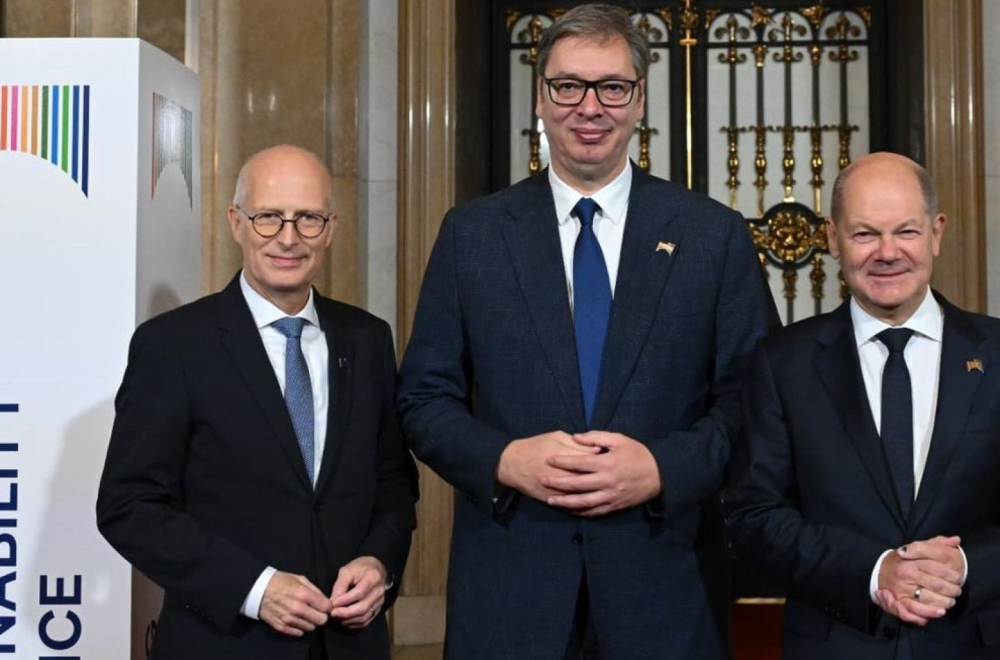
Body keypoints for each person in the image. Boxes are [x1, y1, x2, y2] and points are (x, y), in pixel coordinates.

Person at [396, 5, 774, 659]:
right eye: (568, 86)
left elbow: (754, 404)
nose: (589, 107)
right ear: (540, 98)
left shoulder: (711, 236)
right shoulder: (473, 235)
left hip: (664, 591)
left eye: (612, 87)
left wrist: (661, 468)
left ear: (640, 100)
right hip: (510, 593)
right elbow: (424, 399)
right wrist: (505, 460)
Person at [97, 145, 418, 660]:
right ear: (236, 223)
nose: (288, 238)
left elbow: (393, 481)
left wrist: (380, 562)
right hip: (224, 644)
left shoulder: (368, 339)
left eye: (308, 218)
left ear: (331, 228)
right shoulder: (174, 345)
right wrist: (254, 587)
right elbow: (129, 506)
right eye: (268, 217)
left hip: (350, 645)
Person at [725, 152, 1000, 659]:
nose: (887, 252)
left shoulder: (996, 354)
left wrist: (965, 566)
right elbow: (753, 515)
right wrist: (874, 572)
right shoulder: (782, 363)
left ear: (937, 232)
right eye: (865, 234)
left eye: (906, 232)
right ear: (833, 239)